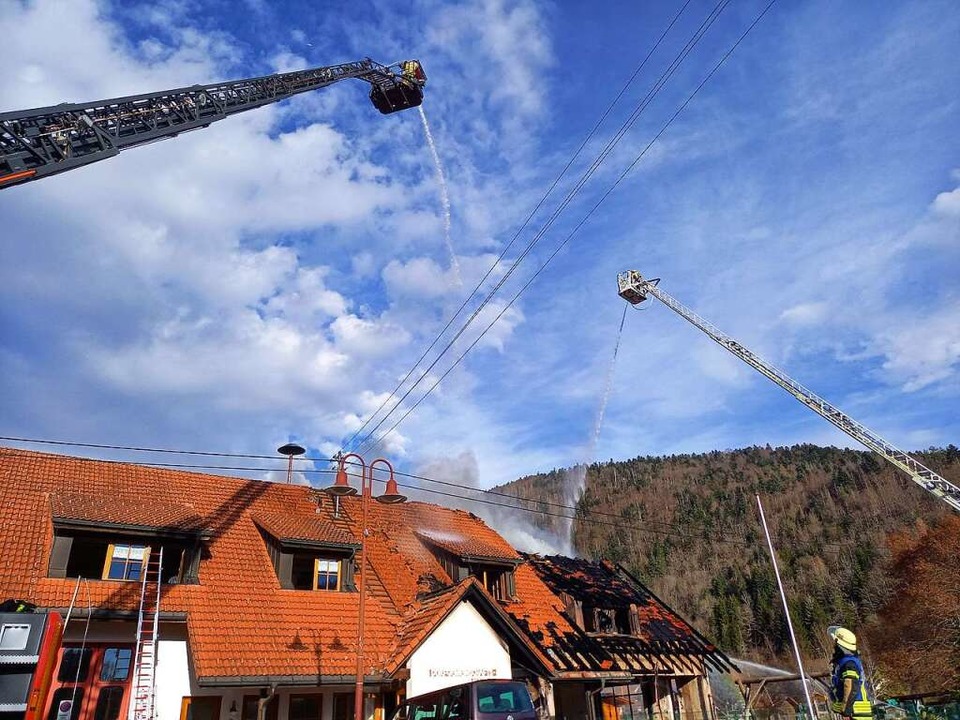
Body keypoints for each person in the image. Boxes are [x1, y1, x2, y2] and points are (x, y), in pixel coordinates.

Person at [829, 626, 874, 720]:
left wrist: (846, 710)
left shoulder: (849, 663)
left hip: (855, 713)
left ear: (839, 644)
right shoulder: (847, 661)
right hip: (854, 712)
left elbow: (851, 685)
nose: (833, 645)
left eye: (835, 643)